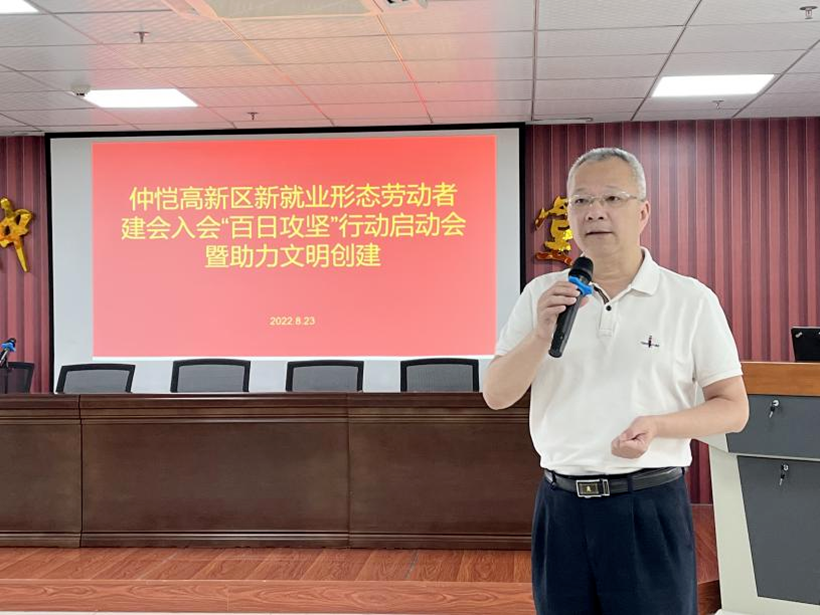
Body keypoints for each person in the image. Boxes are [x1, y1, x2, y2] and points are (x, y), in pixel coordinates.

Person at [483, 147, 749, 614]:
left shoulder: (689, 299)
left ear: (643, 212)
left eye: (611, 198)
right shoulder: (541, 295)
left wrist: (659, 426)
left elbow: (733, 408)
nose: (595, 212)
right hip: (561, 508)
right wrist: (541, 334)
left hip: (647, 507)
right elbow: (497, 395)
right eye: (581, 201)